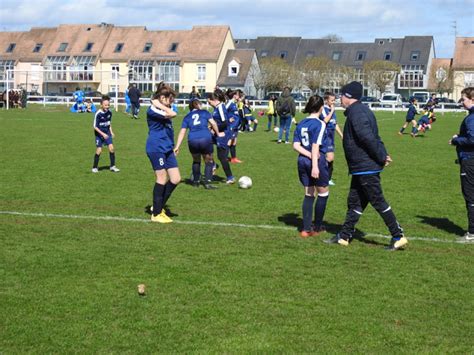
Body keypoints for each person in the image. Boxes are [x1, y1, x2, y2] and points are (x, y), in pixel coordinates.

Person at [325, 81, 407, 250]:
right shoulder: (359, 111)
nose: (339, 98)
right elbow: (375, 137)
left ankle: (398, 235)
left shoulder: (357, 113)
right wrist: (383, 153)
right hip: (360, 167)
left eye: (341, 95)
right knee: (354, 202)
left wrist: (382, 155)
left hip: (365, 166)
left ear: (348, 97)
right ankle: (344, 235)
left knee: (377, 200)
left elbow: (368, 138)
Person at [293, 95, 329, 238]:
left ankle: (306, 229)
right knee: (323, 193)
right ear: (321, 108)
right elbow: (315, 146)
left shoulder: (301, 123)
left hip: (302, 160)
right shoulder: (320, 124)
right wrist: (315, 165)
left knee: (309, 194)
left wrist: (307, 156)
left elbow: (295, 145)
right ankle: (317, 226)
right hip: (316, 161)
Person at [146, 82, 180, 223]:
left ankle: (157, 206)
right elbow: (173, 114)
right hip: (156, 148)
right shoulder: (153, 110)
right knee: (161, 178)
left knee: (176, 179)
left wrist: (173, 147)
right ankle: (157, 214)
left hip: (167, 148)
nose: (171, 101)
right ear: (161, 97)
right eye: (169, 98)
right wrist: (158, 103)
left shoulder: (164, 108)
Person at [174, 98, 223, 189]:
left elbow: (182, 131)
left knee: (196, 160)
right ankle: (207, 182)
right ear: (198, 105)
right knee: (209, 161)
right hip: (205, 138)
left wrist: (177, 146)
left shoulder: (187, 117)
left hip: (192, 140)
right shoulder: (205, 112)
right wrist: (217, 133)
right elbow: (213, 123)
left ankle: (196, 182)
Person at [449, 87, 474, 243]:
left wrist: (456, 140)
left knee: (470, 196)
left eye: (463, 99)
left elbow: (473, 139)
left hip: (470, 161)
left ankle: (472, 233)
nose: (461, 102)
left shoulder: (471, 118)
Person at [207, 90, 235, 184]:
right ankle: (213, 164)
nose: (208, 103)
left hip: (223, 135)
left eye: (209, 101)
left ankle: (230, 177)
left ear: (214, 99)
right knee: (205, 145)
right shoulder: (216, 108)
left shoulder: (220, 108)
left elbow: (224, 123)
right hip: (217, 134)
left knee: (222, 157)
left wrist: (216, 130)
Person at [320, 92, 343, 185]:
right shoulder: (323, 109)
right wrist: (332, 111)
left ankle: (327, 178)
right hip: (325, 136)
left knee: (330, 158)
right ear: (326, 100)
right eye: (332, 100)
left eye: (334, 100)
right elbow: (325, 120)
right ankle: (321, 175)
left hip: (331, 136)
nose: (333, 102)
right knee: (329, 158)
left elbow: (334, 123)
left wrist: (341, 135)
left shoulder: (332, 109)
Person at [92, 96, 120, 173]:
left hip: (107, 133)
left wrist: (111, 132)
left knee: (112, 149)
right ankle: (94, 167)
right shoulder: (98, 114)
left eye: (108, 105)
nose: (107, 106)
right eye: (105, 105)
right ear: (101, 105)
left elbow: (108, 123)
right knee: (99, 150)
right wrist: (102, 134)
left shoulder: (109, 113)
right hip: (99, 134)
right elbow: (95, 127)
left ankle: (112, 166)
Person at [225, 89, 242, 163]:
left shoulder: (235, 103)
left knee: (234, 141)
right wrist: (228, 119)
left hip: (235, 126)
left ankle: (233, 158)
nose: (239, 96)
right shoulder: (229, 103)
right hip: (231, 126)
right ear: (234, 96)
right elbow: (223, 111)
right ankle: (224, 158)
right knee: (229, 141)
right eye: (238, 95)